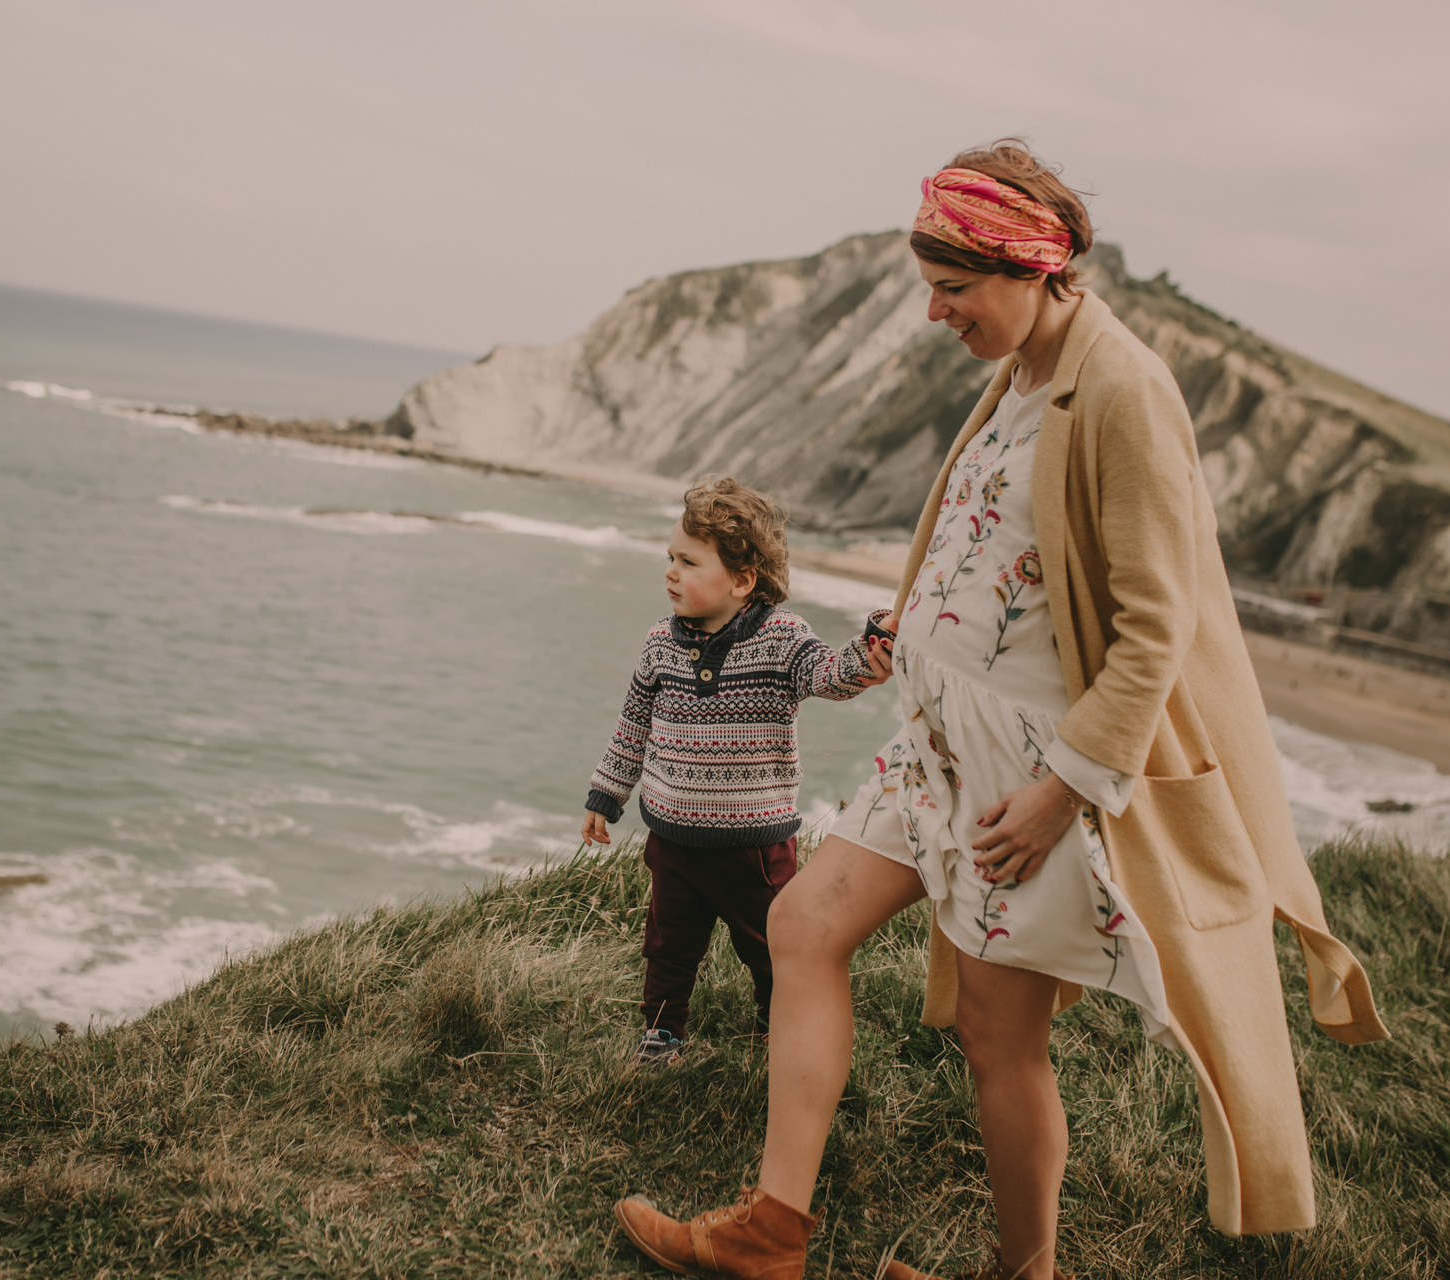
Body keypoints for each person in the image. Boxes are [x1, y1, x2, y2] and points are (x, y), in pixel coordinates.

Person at [614, 142, 1389, 1280]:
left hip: (1028, 776)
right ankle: (773, 1231)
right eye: (930, 284)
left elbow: (1154, 626)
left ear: (1031, 267)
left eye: (954, 287)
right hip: (930, 752)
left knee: (997, 1035)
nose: (935, 311)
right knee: (803, 925)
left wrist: (1063, 789)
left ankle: (1027, 1271)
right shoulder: (1023, 366)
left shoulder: (1123, 388)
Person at [582, 477, 895, 1064]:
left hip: (755, 846)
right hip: (672, 838)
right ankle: (663, 1032)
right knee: (668, 944)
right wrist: (606, 794)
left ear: (742, 579)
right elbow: (633, 726)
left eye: (687, 562)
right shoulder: (659, 645)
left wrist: (871, 655)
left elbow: (828, 674)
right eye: (669, 559)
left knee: (774, 945)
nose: (670, 572)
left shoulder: (780, 639)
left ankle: (776, 1024)